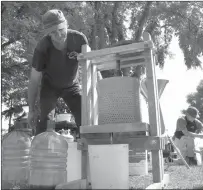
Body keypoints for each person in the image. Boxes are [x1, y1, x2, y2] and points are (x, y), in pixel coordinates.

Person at [28, 9, 102, 138]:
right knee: (46, 123)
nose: (58, 35)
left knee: (85, 118)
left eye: (61, 29)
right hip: (49, 86)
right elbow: (34, 80)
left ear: (66, 24)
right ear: (47, 33)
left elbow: (92, 65)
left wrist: (102, 92)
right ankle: (43, 152)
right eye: (53, 32)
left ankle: (86, 148)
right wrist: (30, 110)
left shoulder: (79, 39)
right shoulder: (42, 47)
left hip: (72, 86)